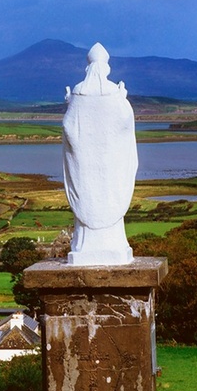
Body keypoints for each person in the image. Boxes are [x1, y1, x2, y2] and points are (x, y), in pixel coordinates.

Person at [62, 43, 138, 265]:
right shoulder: (114, 93)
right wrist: (123, 99)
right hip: (110, 163)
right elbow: (124, 122)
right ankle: (113, 244)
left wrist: (70, 103)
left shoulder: (79, 92)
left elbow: (69, 126)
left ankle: (84, 246)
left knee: (87, 192)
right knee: (109, 194)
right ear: (106, 67)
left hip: (84, 165)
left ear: (88, 67)